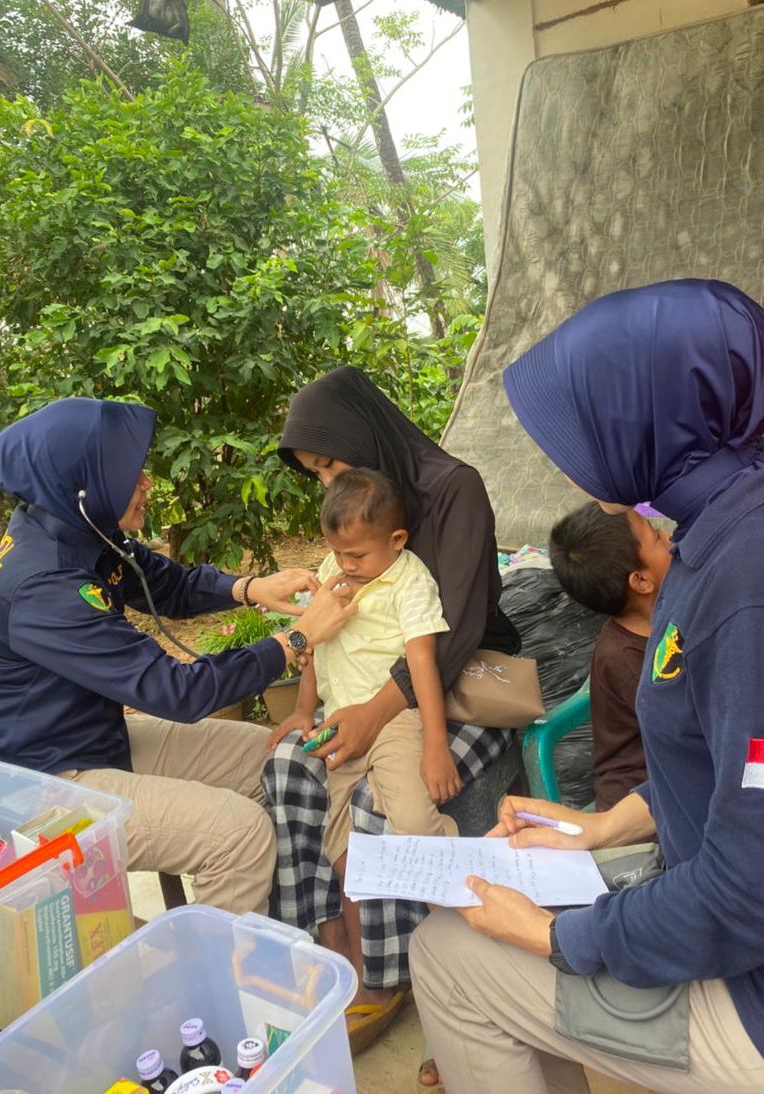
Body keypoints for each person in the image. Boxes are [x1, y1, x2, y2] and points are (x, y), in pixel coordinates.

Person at [410, 278, 764, 1094]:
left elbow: (744, 896)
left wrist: (555, 936)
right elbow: (723, 765)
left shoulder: (743, 590)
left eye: (582, 426)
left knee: (450, 955)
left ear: (650, 420)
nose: (564, 456)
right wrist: (601, 826)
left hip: (751, 990)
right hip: (711, 895)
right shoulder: (715, 531)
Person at [0, 397, 355, 916]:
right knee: (236, 835)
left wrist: (252, 587)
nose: (145, 482)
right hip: (48, 785)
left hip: (94, 741)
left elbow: (169, 585)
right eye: (130, 473)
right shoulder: (44, 585)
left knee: (274, 758)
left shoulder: (84, 530)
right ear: (82, 484)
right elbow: (176, 691)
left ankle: (271, 934)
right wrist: (296, 639)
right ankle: (218, 985)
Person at [263, 365, 520, 1065]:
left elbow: (456, 630)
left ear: (362, 435)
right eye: (315, 472)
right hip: (370, 682)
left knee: (388, 797)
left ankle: (421, 970)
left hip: (452, 673)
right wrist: (310, 706)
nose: (326, 481)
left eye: (331, 462)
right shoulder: (358, 519)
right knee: (289, 766)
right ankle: (332, 940)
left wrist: (376, 714)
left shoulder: (452, 490)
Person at [268, 468, 458, 1031]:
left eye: (355, 556)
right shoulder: (336, 570)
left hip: (393, 720)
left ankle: (470, 898)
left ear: (396, 542)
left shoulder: (410, 582)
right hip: (337, 724)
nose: (343, 567)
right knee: (338, 838)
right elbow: (316, 650)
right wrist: (305, 710)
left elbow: (422, 663)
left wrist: (436, 745)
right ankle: (361, 961)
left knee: (413, 820)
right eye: (336, 554)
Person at [549, 501, 671, 809]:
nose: (670, 537)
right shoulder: (626, 660)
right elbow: (694, 732)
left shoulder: (669, 611)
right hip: (645, 806)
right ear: (642, 581)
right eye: (657, 536)